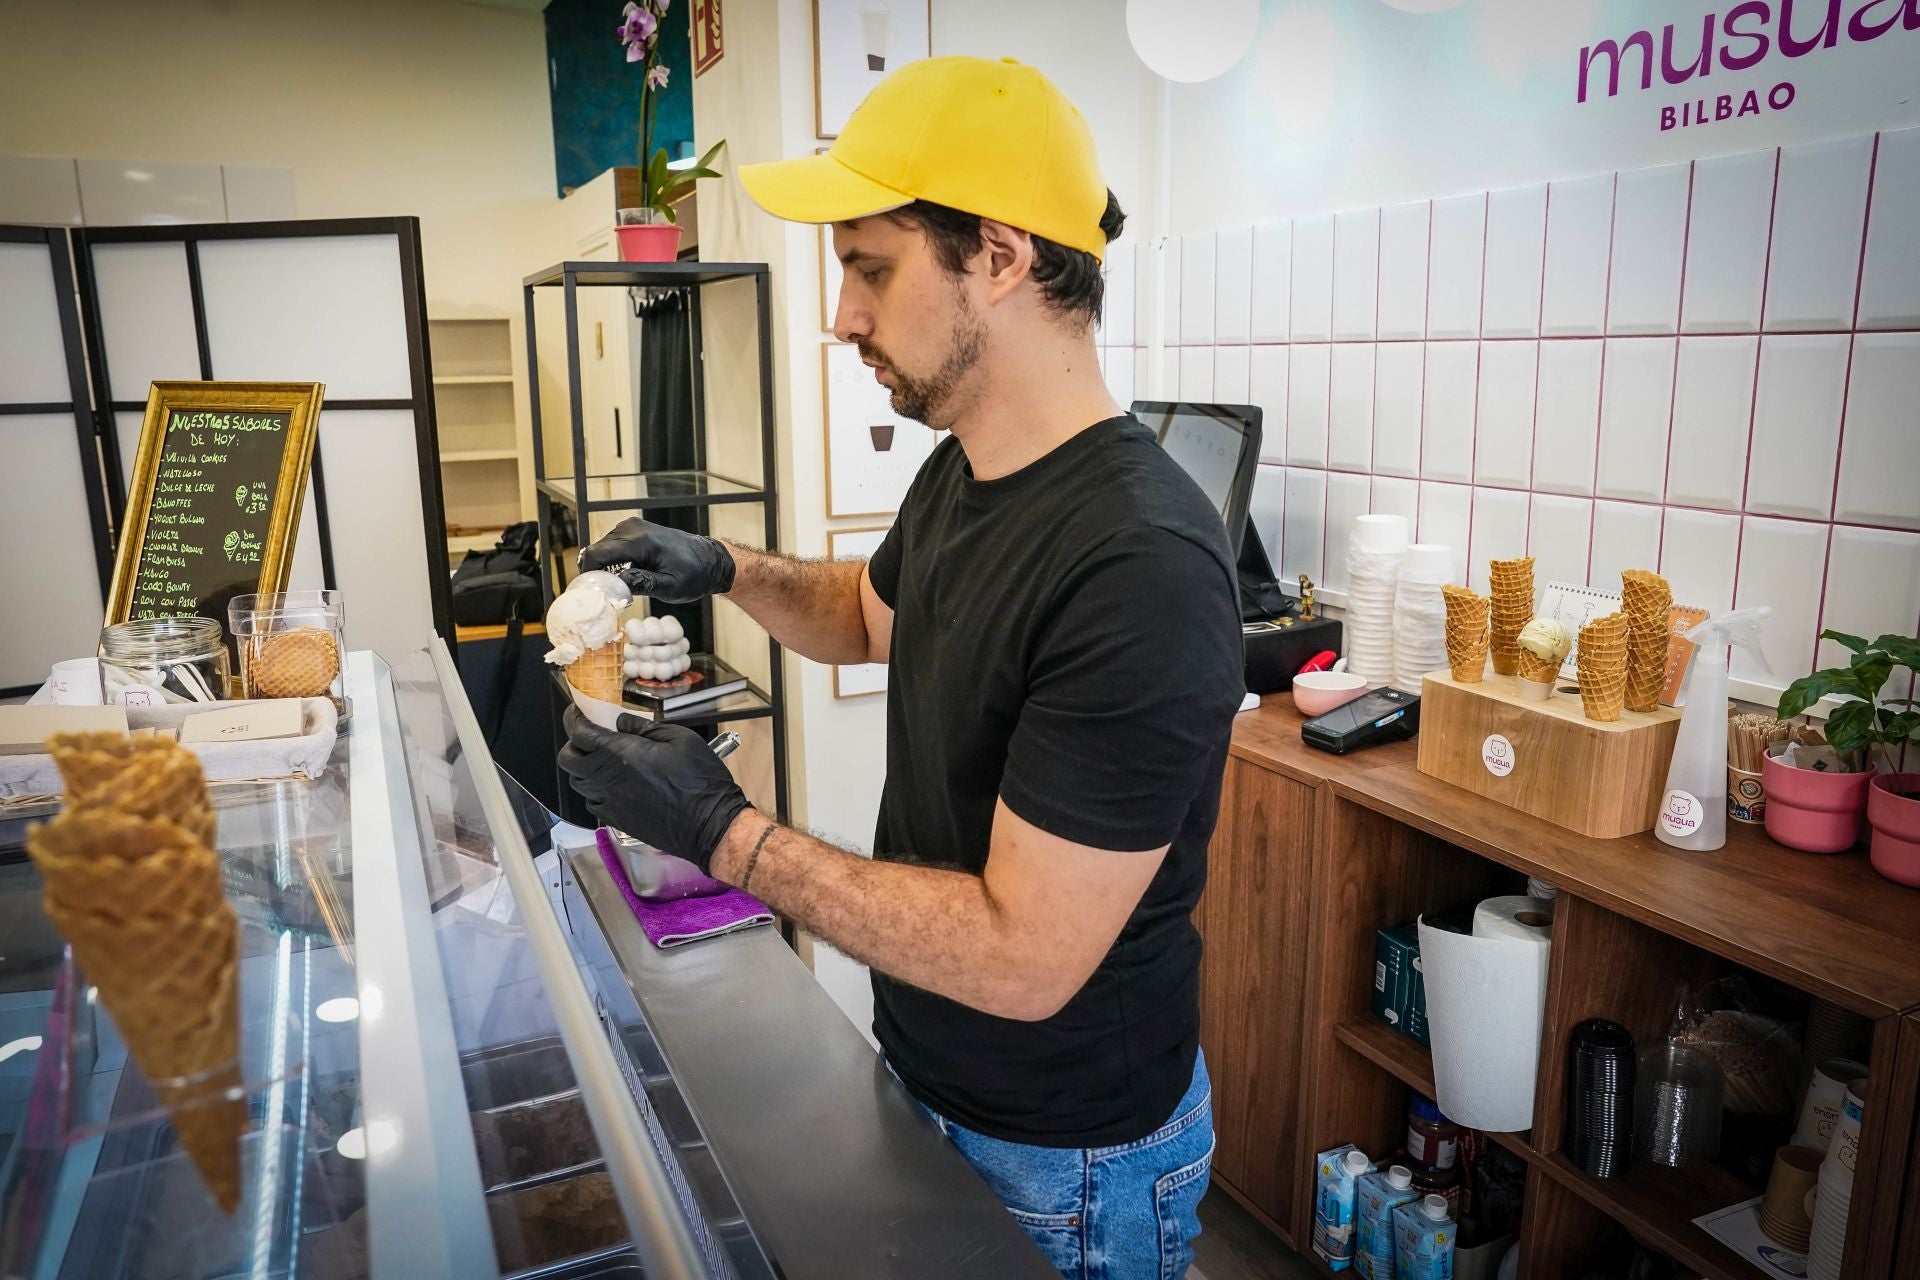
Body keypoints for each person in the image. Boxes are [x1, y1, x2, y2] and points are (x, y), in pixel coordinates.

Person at [558, 55, 1244, 1278]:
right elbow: (869, 617)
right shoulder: (967, 470)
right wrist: (723, 566)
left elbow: (1022, 955)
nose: (843, 315)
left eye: (869, 266)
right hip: (929, 1068)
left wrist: (727, 835)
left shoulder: (1140, 561)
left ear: (999, 253)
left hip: (1065, 1159)